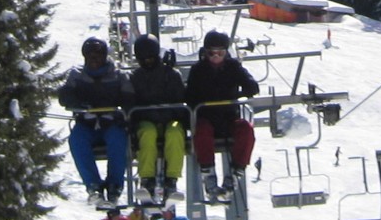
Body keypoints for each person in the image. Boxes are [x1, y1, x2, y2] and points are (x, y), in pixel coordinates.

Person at [186, 30, 261, 196]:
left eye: (220, 53)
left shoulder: (233, 67)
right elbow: (189, 96)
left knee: (245, 129)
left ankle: (236, 171)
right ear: (205, 52)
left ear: (226, 53)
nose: (215, 57)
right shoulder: (198, 70)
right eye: (211, 53)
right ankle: (208, 172)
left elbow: (252, 86)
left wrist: (237, 94)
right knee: (202, 130)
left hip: (228, 118)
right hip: (207, 117)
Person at [59, 37, 131, 200]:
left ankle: (115, 184)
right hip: (87, 123)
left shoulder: (118, 75)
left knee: (118, 138)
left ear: (105, 56)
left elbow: (130, 98)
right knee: (77, 139)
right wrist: (79, 105)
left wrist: (117, 112)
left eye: (98, 56)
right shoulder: (77, 75)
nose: (94, 60)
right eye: (90, 56)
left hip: (111, 122)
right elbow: (65, 96)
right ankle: (93, 185)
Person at [128, 35, 190, 202]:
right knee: (147, 134)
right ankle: (147, 179)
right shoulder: (135, 78)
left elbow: (181, 100)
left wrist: (184, 120)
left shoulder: (171, 75)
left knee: (176, 133)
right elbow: (130, 102)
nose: (147, 62)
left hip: (170, 119)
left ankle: (172, 180)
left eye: (150, 58)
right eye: (143, 59)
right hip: (146, 120)